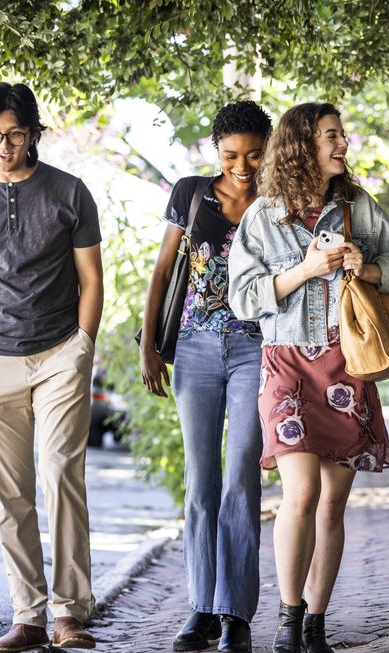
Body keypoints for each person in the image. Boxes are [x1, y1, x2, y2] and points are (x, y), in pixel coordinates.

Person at [228, 102, 389, 653]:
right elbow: (242, 298)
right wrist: (306, 270)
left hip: (345, 363)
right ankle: (287, 623)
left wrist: (366, 266)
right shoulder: (263, 215)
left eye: (341, 134)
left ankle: (315, 624)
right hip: (286, 363)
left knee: (333, 502)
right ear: (302, 146)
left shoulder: (357, 206)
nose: (344, 144)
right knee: (302, 491)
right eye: (332, 136)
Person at [0, 82, 103, 652]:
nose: (1, 145)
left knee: (62, 475)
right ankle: (28, 616)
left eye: (13, 134)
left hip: (60, 352)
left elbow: (91, 279)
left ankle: (69, 614)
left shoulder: (69, 192)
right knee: (9, 493)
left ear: (34, 133)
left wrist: (83, 344)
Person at [139, 100, 272, 653]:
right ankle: (201, 609)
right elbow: (165, 268)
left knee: (241, 472)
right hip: (194, 347)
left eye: (253, 154)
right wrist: (149, 344)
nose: (242, 166)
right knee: (202, 481)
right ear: (215, 152)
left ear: (267, 150)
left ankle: (235, 614)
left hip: (257, 349)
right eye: (231, 155)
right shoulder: (191, 193)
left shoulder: (279, 200)